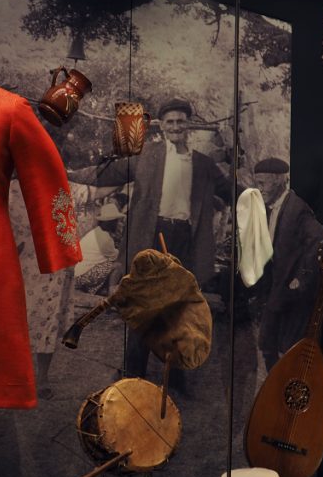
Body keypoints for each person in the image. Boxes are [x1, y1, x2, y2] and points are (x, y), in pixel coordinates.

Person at [68, 97, 232, 389]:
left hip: (185, 239)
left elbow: (231, 190)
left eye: (180, 121)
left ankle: (176, 375)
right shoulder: (147, 155)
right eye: (170, 122)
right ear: (163, 126)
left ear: (189, 125)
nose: (175, 126)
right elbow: (107, 172)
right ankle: (134, 372)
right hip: (152, 234)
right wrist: (66, 173)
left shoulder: (203, 164)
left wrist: (257, 198)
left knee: (179, 307)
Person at [250, 157, 323, 372]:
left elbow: (319, 238)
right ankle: (277, 382)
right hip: (276, 288)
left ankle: (286, 383)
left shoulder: (296, 208)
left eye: (263, 183)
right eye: (257, 183)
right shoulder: (273, 207)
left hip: (292, 291)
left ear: (279, 181)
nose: (259, 189)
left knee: (286, 346)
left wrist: (301, 277)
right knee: (267, 343)